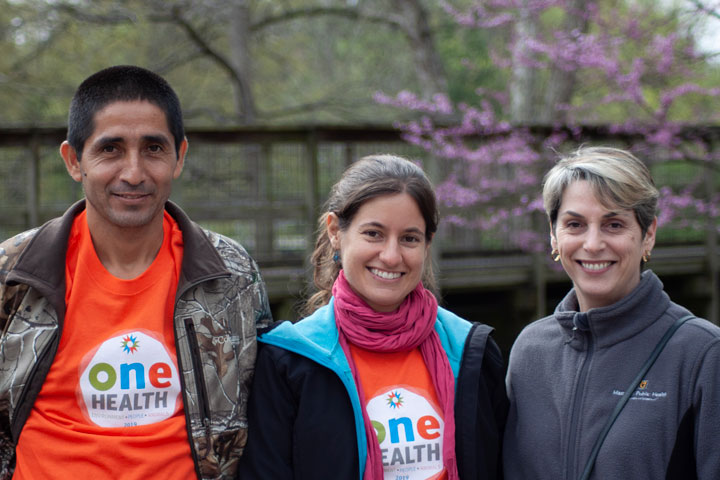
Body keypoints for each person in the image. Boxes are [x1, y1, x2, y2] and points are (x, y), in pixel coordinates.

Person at [0, 65, 272, 479]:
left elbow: (266, 410)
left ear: (179, 156)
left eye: (153, 149)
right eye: (110, 149)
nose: (133, 172)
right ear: (74, 160)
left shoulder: (232, 276)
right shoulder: (13, 274)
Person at [238, 154, 508, 479]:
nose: (391, 256)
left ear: (427, 244)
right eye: (373, 234)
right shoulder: (289, 361)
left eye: (409, 238)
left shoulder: (472, 354)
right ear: (336, 231)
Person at [503, 146, 720, 479]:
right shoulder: (530, 351)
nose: (592, 244)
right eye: (574, 224)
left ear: (648, 235)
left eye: (614, 225)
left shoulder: (702, 354)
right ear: (553, 235)